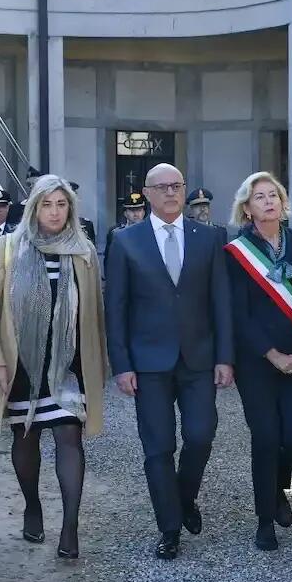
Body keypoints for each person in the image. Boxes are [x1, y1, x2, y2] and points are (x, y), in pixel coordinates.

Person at [0, 175, 107, 559]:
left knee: (69, 437)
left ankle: (70, 529)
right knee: (25, 439)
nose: (55, 212)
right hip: (22, 363)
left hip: (69, 363)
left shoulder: (83, 251)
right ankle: (33, 505)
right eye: (47, 204)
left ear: (70, 208)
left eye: (61, 204)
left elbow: (94, 312)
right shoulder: (10, 247)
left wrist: (99, 365)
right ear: (34, 208)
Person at [105, 163, 234, 560]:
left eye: (176, 185)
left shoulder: (210, 237)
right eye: (161, 187)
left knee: (201, 435)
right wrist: (121, 365)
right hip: (148, 363)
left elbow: (221, 302)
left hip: (199, 358)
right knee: (158, 447)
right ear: (146, 193)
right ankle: (170, 527)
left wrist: (225, 357)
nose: (171, 192)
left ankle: (184, 496)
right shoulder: (125, 241)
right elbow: (116, 308)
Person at [225, 172, 292, 551]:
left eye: (274, 195)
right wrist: (273, 355)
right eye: (260, 197)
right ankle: (265, 520)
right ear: (247, 208)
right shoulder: (236, 252)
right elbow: (239, 314)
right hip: (257, 361)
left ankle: (276, 484)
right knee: (267, 437)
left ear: (283, 203)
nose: (269, 201)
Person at [105, 192, 147, 263]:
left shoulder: (151, 231)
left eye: (139, 210)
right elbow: (109, 260)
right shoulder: (115, 233)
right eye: (132, 211)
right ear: (125, 213)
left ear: (144, 212)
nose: (136, 214)